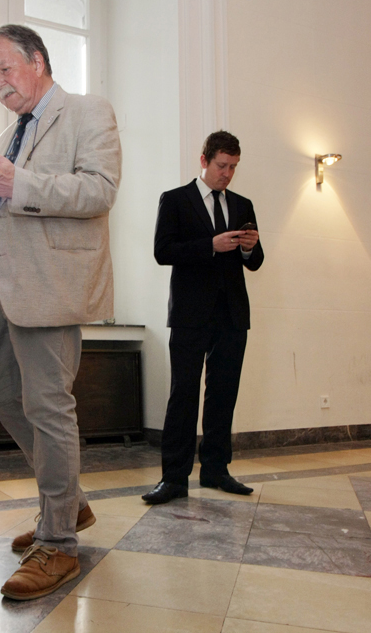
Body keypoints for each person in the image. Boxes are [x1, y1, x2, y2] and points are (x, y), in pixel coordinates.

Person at [0, 24, 121, 600]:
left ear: (38, 61)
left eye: (5, 69)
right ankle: (69, 503)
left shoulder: (88, 111)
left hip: (50, 286)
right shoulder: (8, 133)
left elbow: (99, 190)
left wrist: (14, 181)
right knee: (3, 395)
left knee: (48, 407)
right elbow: (4, 209)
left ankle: (58, 543)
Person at [142, 130, 264, 505]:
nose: (227, 174)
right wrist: (209, 246)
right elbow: (163, 251)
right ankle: (173, 479)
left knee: (223, 395)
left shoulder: (243, 204)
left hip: (232, 315)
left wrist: (250, 248)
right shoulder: (176, 200)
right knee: (183, 395)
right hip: (189, 314)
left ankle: (215, 470)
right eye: (221, 165)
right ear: (204, 160)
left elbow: (256, 262)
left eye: (233, 167)